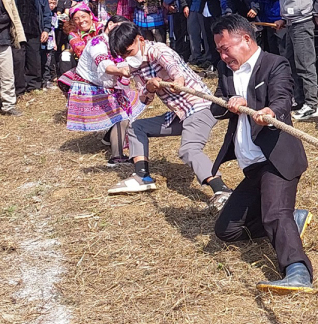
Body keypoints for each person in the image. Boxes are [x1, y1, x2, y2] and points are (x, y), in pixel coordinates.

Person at [209, 13, 315, 294]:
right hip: (252, 167)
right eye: (218, 50)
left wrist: (265, 110)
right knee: (226, 230)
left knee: (274, 214)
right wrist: (227, 104)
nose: (222, 56)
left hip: (277, 158)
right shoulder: (227, 72)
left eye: (225, 48)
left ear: (245, 39)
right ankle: (293, 220)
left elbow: (283, 98)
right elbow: (215, 107)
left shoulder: (274, 64)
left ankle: (297, 271)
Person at [106, 21, 231, 207]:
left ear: (140, 39)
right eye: (122, 55)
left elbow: (175, 69)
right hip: (180, 113)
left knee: (189, 149)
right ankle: (142, 176)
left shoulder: (159, 51)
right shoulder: (135, 65)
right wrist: (148, 88)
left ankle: (222, 189)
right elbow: (144, 100)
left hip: (199, 107)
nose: (127, 57)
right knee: (136, 127)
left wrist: (177, 80)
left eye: (129, 51)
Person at [59, 12, 143, 165]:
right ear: (110, 25)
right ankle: (116, 157)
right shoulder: (97, 43)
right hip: (90, 88)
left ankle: (109, 136)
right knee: (121, 115)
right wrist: (121, 71)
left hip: (101, 84)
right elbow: (105, 65)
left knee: (125, 105)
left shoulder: (113, 42)